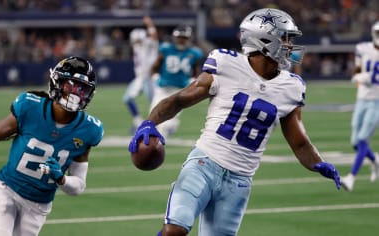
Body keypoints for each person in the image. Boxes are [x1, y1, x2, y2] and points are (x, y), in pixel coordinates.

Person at [128, 8, 341, 236]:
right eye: (285, 39)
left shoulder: (292, 86)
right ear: (264, 40)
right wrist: (149, 122)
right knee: (174, 231)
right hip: (204, 165)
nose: (290, 46)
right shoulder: (226, 64)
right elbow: (181, 99)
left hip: (240, 181)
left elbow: (298, 141)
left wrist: (318, 163)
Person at [0, 56, 104, 236]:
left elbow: (79, 185)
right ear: (56, 81)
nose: (75, 92)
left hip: (38, 205)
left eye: (82, 88)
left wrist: (62, 179)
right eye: (70, 84)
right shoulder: (30, 106)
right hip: (8, 189)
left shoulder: (89, 130)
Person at [340, 21, 379, 192]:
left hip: (377, 102)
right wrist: (358, 79)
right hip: (361, 99)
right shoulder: (363, 48)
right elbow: (357, 70)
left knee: (362, 139)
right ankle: (376, 161)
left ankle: (351, 177)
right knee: (355, 142)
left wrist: (366, 78)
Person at [149, 24, 204, 137]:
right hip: (163, 88)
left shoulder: (194, 53)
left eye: (184, 38)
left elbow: (195, 70)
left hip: (180, 90)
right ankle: (156, 139)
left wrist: (192, 80)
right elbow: (154, 67)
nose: (181, 40)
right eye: (180, 37)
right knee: (154, 116)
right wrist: (156, 78)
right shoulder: (165, 49)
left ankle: (160, 139)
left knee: (169, 120)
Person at [123, 16, 159, 131]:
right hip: (140, 78)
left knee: (154, 103)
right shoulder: (136, 46)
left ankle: (161, 125)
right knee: (127, 99)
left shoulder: (148, 44)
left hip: (150, 78)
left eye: (137, 40)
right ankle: (137, 121)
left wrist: (150, 24)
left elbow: (154, 37)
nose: (135, 42)